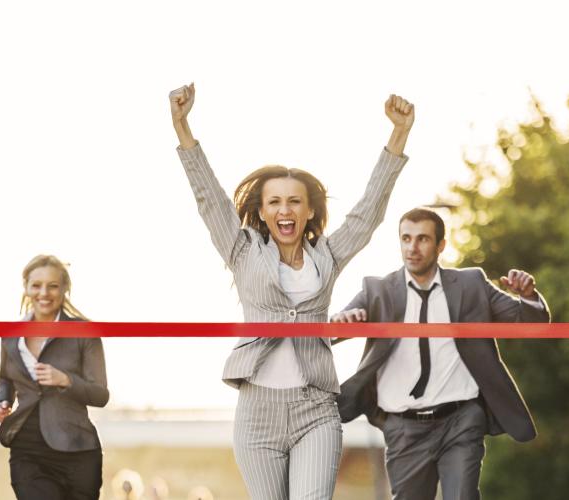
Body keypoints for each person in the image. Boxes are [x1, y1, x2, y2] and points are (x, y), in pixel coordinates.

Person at [170, 83, 414, 500]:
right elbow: (209, 199)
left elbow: (368, 213)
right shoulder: (242, 251)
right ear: (263, 212)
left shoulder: (328, 256)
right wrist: (182, 126)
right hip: (257, 413)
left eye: (295, 202)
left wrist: (399, 134)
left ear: (310, 210)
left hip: (315, 407)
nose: (286, 210)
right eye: (276, 202)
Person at [332, 208, 549, 500]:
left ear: (440, 245)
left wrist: (528, 296)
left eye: (422, 239)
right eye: (406, 238)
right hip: (403, 426)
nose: (412, 247)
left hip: (461, 420)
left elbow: (532, 324)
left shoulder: (472, 285)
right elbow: (333, 332)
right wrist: (344, 321)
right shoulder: (378, 290)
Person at [0, 255, 108, 500]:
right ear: (26, 288)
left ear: (64, 289)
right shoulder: (10, 335)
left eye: (53, 285)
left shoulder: (85, 333)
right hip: (28, 448)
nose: (44, 292)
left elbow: (100, 394)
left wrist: (66, 380)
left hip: (78, 450)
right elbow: (5, 379)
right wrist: (2, 401)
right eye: (36, 285)